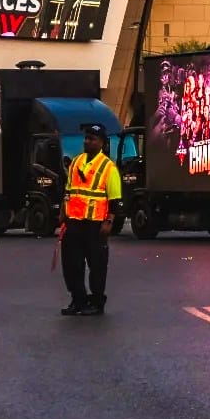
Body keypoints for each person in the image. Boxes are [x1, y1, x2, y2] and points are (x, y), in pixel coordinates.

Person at [60, 124, 122, 316]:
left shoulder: (108, 167)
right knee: (71, 264)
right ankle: (78, 300)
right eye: (86, 138)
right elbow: (69, 191)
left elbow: (115, 199)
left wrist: (109, 221)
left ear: (102, 143)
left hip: (96, 225)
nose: (87, 141)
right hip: (74, 222)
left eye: (92, 139)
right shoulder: (76, 162)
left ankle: (96, 302)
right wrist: (63, 213)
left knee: (97, 265)